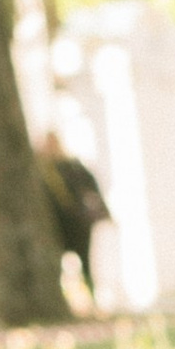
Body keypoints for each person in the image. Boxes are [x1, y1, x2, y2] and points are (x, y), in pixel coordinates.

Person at [33, 130, 109, 303]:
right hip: (55, 226)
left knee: (86, 263)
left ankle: (92, 298)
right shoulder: (41, 170)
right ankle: (61, 300)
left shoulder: (73, 166)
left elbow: (90, 190)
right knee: (55, 265)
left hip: (78, 224)